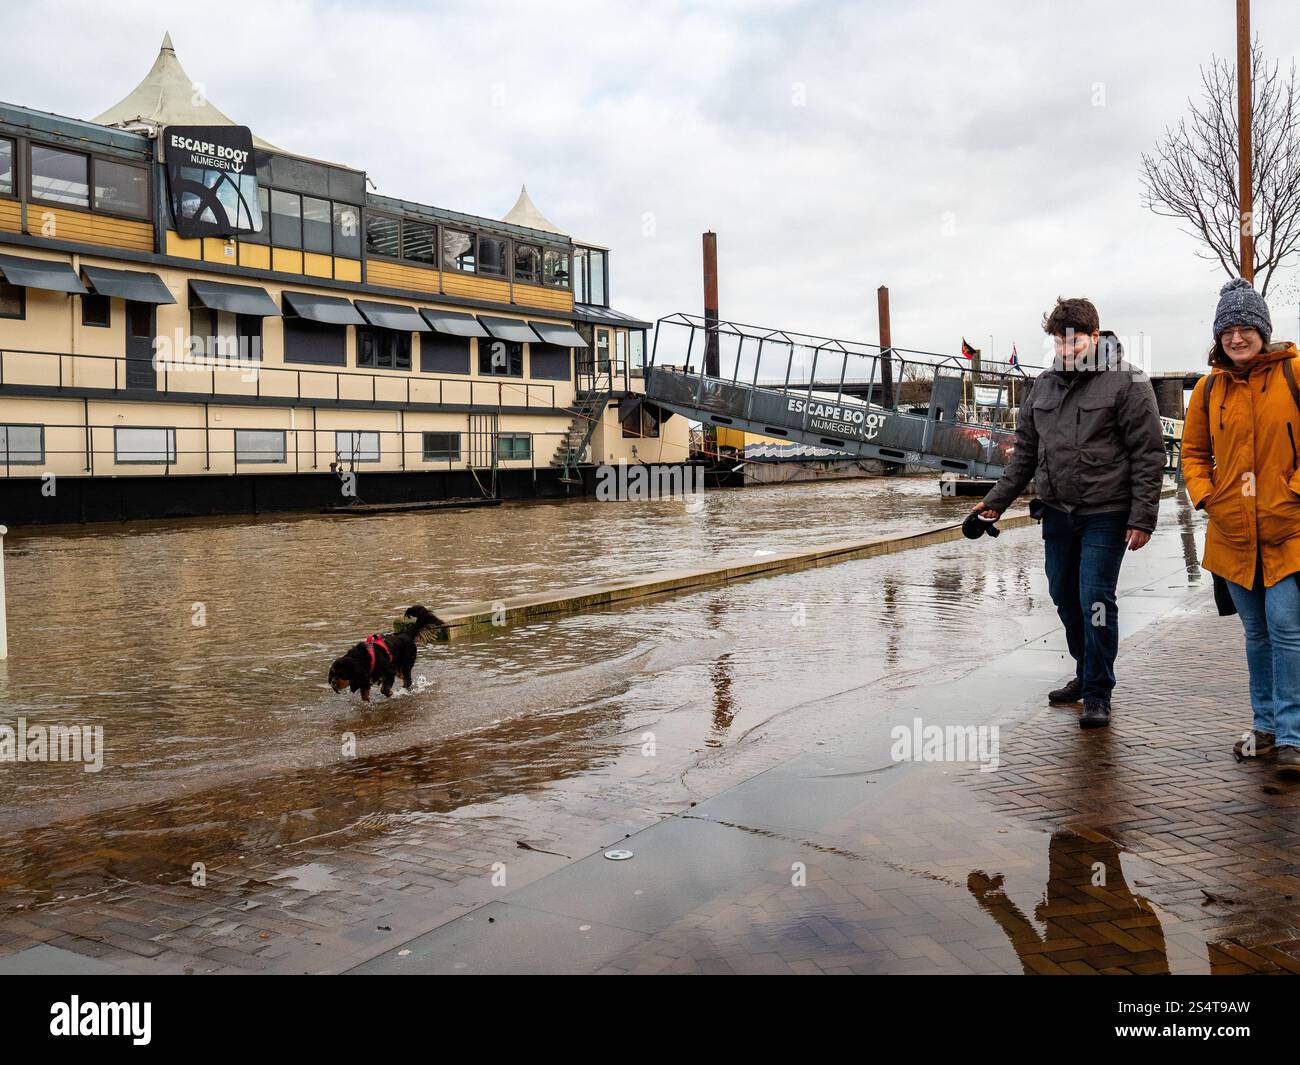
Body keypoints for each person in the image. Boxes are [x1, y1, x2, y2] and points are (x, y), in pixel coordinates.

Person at [972, 297, 1166, 729]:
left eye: (1074, 340)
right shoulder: (1041, 387)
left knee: (1095, 598)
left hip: (1107, 512)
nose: (1066, 348)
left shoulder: (1128, 382)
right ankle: (1084, 673)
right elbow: (1024, 455)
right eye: (1059, 341)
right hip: (1056, 511)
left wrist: (1142, 517)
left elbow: (1148, 453)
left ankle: (1098, 691)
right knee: (1064, 596)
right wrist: (995, 502)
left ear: (1095, 337)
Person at [1180, 278, 1300, 777]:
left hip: (1288, 530)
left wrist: (1295, 490)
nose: (1237, 337)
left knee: (1286, 628)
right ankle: (1265, 728)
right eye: (1228, 329)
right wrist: (1208, 496)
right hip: (1233, 534)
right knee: (1256, 634)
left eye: (1246, 327)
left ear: (1263, 330)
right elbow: (1192, 453)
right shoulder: (1209, 388)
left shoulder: (1294, 373)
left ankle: (1292, 736)